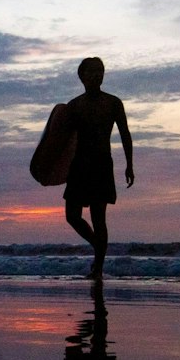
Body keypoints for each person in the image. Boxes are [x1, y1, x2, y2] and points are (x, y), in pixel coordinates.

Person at [62, 57, 134, 280]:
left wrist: (129, 164)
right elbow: (62, 140)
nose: (97, 75)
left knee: (98, 218)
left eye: (101, 71)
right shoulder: (74, 106)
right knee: (72, 216)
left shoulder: (113, 103)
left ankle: (98, 269)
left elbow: (125, 134)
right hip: (79, 165)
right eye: (92, 71)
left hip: (101, 164)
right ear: (82, 76)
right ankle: (98, 246)